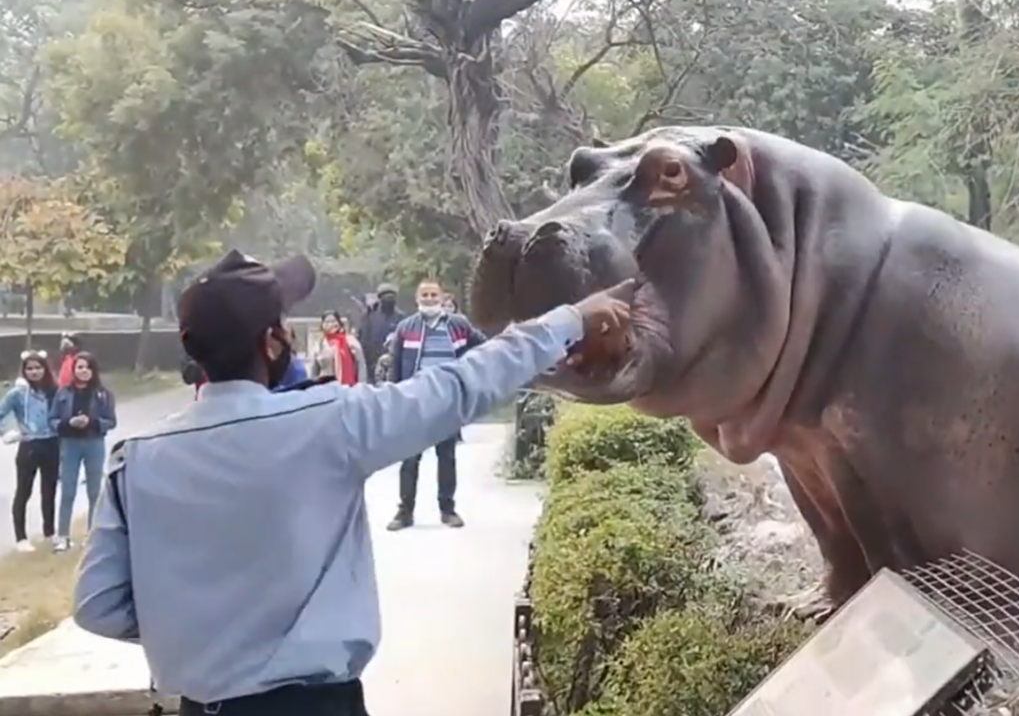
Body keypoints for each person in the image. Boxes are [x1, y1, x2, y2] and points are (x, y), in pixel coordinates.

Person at [71, 248, 633, 716]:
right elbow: (463, 386)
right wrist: (571, 318)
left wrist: (200, 630)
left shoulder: (136, 459)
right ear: (272, 342)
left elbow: (98, 605)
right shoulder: (328, 423)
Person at [385, 280, 486, 530]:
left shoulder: (458, 326)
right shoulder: (405, 328)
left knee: (447, 457)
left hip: (448, 401)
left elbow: (483, 346)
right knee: (409, 459)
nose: (429, 298)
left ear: (442, 298)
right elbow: (395, 367)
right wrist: (393, 399)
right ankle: (405, 512)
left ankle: (448, 509)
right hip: (415, 402)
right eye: (425, 294)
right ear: (417, 299)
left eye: (433, 294)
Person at [49, 351, 116, 552]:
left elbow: (111, 421)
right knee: (67, 490)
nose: (84, 371)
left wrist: (93, 422)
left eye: (88, 367)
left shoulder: (103, 394)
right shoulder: (63, 393)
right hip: (70, 444)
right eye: (80, 367)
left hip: (94, 442)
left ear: (93, 370)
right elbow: (52, 419)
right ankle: (63, 536)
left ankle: (92, 535)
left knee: (95, 490)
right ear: (74, 370)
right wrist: (67, 423)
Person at [0, 350, 60, 552]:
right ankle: (21, 538)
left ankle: (49, 532)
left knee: (49, 490)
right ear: (24, 371)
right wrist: (8, 432)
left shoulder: (54, 390)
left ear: (45, 369)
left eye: (38, 368)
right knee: (24, 491)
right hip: (29, 445)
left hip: (52, 443)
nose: (34, 372)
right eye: (30, 368)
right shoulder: (17, 394)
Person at [308, 309, 367, 385]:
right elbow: (313, 372)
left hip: (348, 389)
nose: (331, 324)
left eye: (333, 321)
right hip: (325, 388)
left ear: (339, 323)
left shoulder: (350, 341)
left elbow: (361, 364)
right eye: (327, 322)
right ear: (322, 325)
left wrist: (361, 385)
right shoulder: (319, 345)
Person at [356, 283, 402, 377]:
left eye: (392, 296)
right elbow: (362, 339)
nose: (389, 298)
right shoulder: (369, 316)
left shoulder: (401, 318)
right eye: (385, 295)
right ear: (380, 298)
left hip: (392, 365)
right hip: (370, 364)